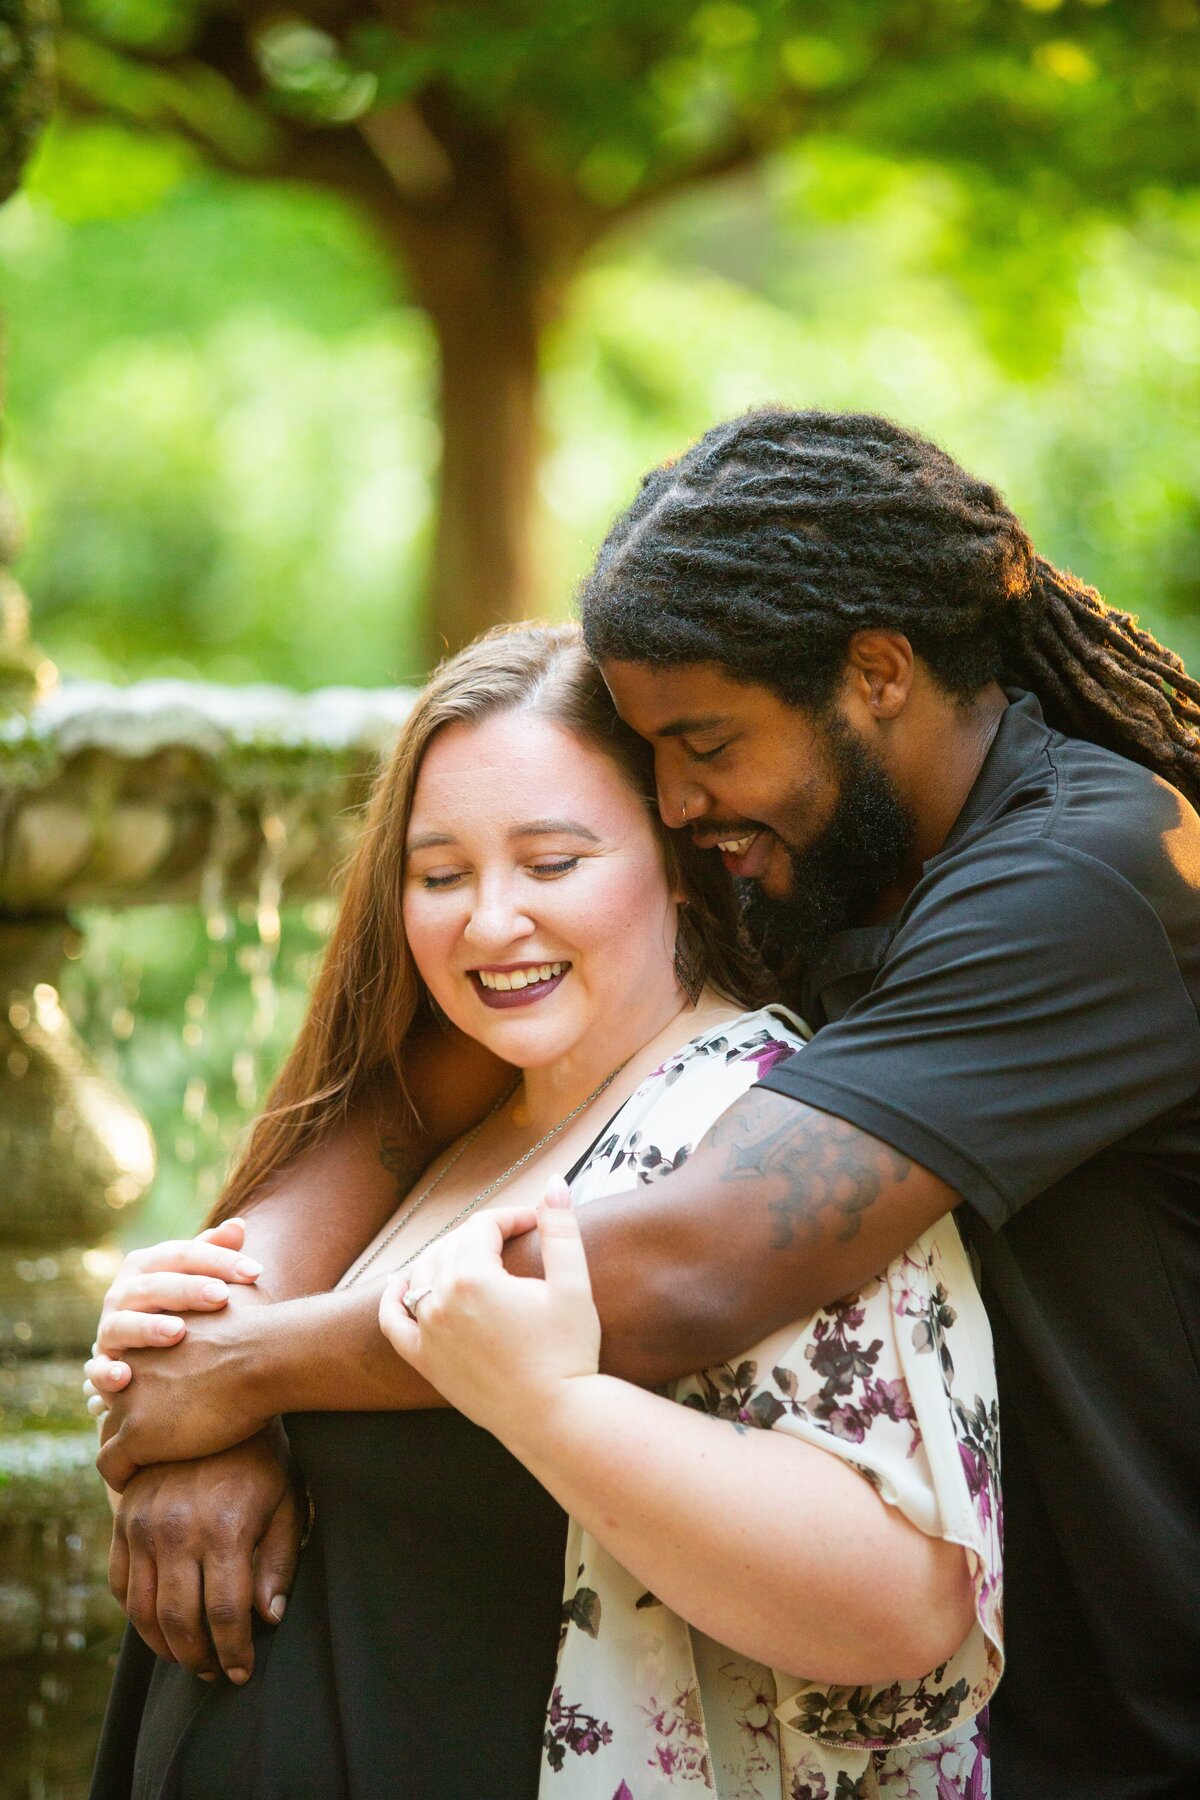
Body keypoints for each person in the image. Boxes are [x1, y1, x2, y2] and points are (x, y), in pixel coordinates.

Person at [90, 406, 1199, 1798]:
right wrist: (223, 1377)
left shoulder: (1083, 884)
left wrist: (241, 1372)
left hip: (1128, 1706)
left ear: (876, 673)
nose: (676, 801)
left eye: (706, 742)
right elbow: (402, 1098)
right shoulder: (822, 844)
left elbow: (700, 1259)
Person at [87, 622, 998, 1800]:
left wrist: (547, 1406)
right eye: (441, 874)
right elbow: (199, 1391)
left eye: (553, 862)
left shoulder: (765, 1134)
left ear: (678, 858)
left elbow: (905, 1607)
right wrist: (199, 1421)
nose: (488, 921)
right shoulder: (432, 1120)